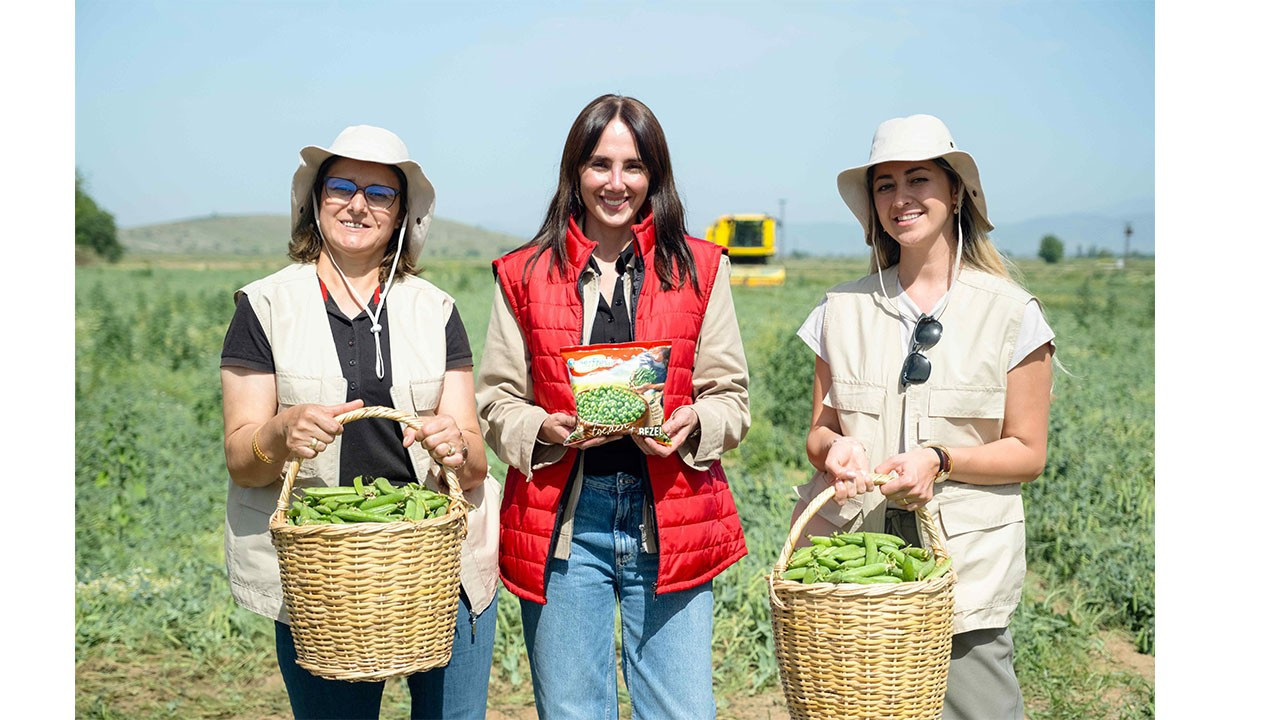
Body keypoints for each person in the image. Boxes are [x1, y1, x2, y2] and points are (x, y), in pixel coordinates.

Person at [475, 94, 751, 720]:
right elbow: (495, 400)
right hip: (568, 528)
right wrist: (543, 428)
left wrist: (694, 423)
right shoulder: (523, 273)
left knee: (682, 711)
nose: (616, 183)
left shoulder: (701, 268)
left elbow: (730, 397)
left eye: (634, 166)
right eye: (600, 164)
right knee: (573, 711)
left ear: (655, 174)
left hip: (670, 518)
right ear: (575, 171)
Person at [219, 125, 500, 720]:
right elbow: (243, 463)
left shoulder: (435, 309)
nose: (358, 205)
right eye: (341, 187)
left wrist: (455, 445)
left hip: (437, 557)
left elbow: (474, 465)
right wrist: (279, 433)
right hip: (329, 571)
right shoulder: (265, 306)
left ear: (401, 216)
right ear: (315, 201)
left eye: (380, 194)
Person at [792, 114, 1055, 720]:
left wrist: (941, 460)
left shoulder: (1013, 314)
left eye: (918, 179)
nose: (900, 198)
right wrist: (833, 450)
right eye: (884, 185)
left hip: (964, 563)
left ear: (955, 192)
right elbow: (819, 432)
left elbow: (1028, 451)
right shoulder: (840, 309)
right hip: (855, 565)